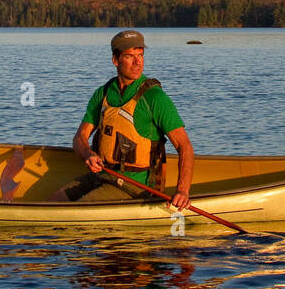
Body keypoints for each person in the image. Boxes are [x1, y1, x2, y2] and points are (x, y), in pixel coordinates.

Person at [52, 29, 194, 209]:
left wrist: (182, 191)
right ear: (115, 60)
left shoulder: (155, 97)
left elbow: (185, 146)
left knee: (72, 211)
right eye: (129, 56)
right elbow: (79, 138)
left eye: (140, 55)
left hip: (134, 187)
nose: (137, 62)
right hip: (102, 176)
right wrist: (88, 154)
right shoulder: (103, 93)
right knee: (54, 200)